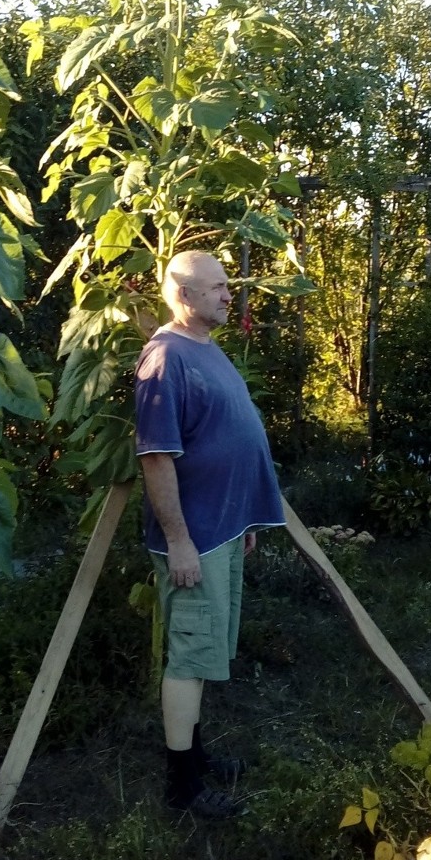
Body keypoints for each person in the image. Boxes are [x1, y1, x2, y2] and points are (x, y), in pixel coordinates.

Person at [134, 249, 285, 817]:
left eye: (227, 285)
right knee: (190, 655)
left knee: (204, 651)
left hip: (220, 530)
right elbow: (156, 457)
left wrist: (240, 517)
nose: (229, 294)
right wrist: (179, 541)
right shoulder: (163, 360)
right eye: (218, 286)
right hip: (191, 540)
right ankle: (182, 789)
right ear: (184, 293)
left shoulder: (205, 349)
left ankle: (195, 759)